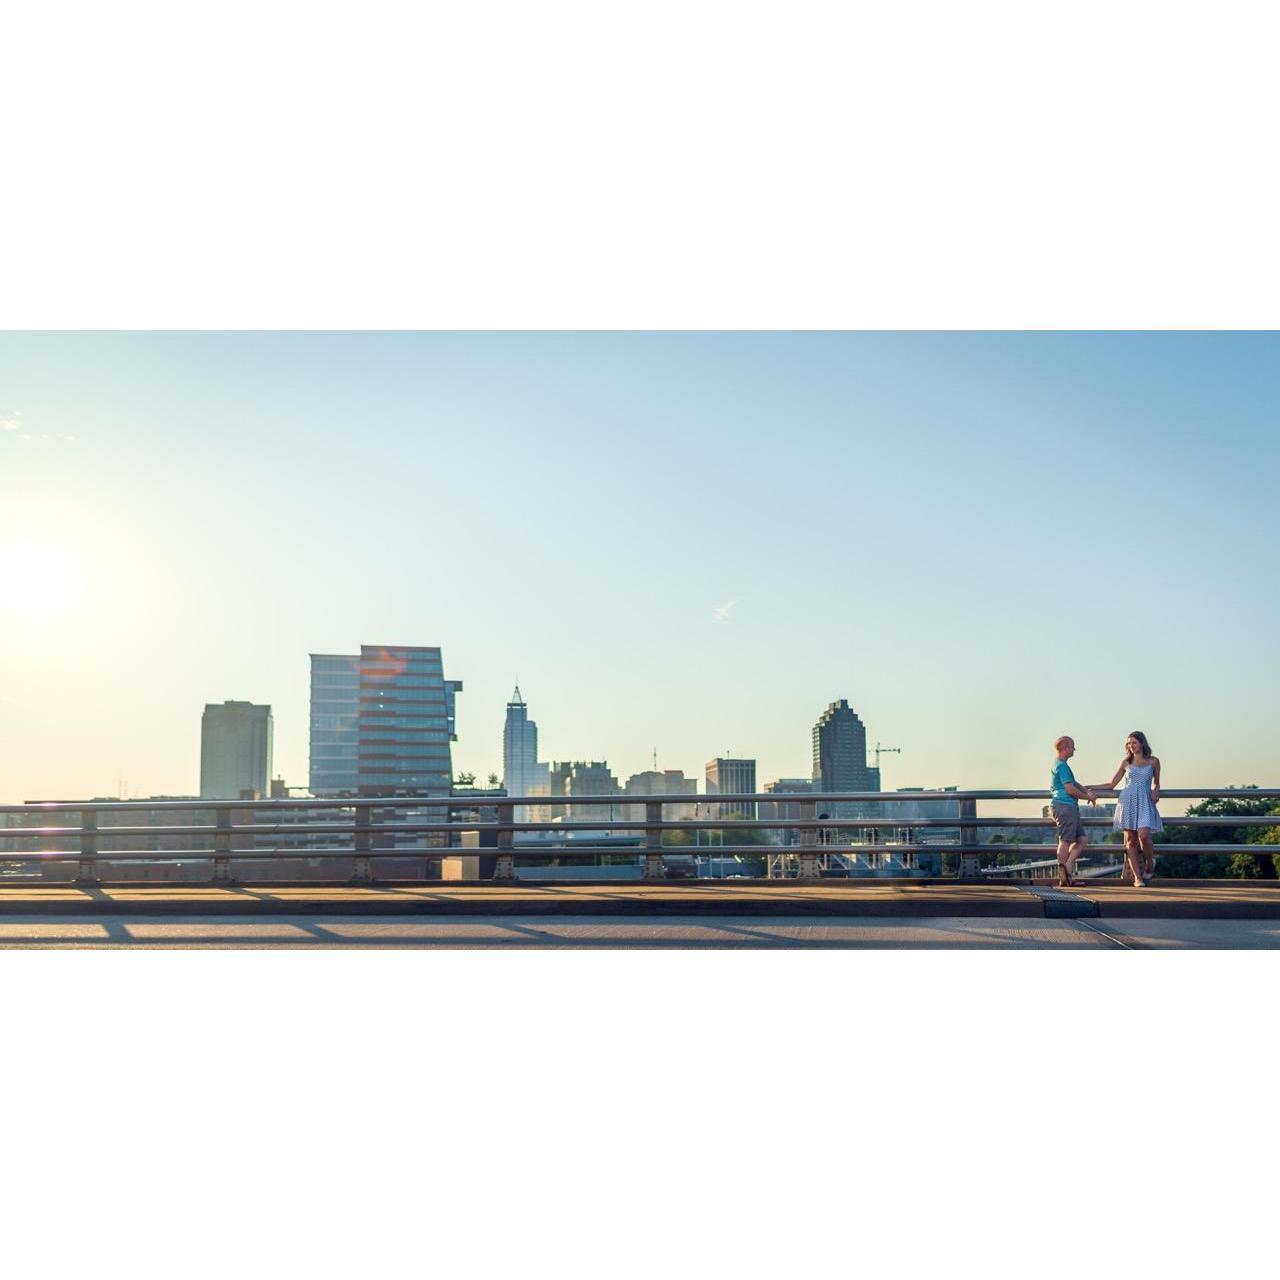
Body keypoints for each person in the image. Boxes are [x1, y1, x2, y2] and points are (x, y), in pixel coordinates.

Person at [1097, 731, 1162, 887]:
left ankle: (1150, 863)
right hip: (1127, 802)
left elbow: (1156, 782)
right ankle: (1137, 878)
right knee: (1131, 840)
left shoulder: (1153, 761)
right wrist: (1088, 787)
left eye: (1134, 742)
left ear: (1142, 743)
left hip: (1145, 802)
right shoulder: (1126, 763)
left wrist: (1156, 790)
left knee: (1144, 836)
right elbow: (1112, 784)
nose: (1131, 745)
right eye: (1129, 743)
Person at [1050, 735, 1096, 888]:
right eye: (1072, 746)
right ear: (1065, 748)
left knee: (1082, 839)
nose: (1074, 749)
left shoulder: (1061, 764)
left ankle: (1067, 867)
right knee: (1065, 841)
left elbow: (1074, 783)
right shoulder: (1062, 766)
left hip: (1068, 807)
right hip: (1065, 806)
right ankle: (1064, 876)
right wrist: (1087, 797)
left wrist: (1087, 792)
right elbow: (1070, 789)